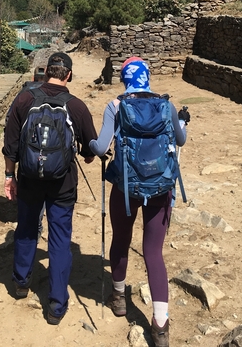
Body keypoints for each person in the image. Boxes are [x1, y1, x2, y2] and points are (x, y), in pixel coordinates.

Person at [89, 56, 187, 347]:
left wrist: (94, 146)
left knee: (121, 239)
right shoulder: (166, 105)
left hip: (125, 187)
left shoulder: (116, 106)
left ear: (125, 79)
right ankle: (160, 325)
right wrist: (181, 122)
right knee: (153, 252)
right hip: (160, 188)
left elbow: (102, 146)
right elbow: (180, 141)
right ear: (147, 77)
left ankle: (119, 297)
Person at [2, 52, 97, 325]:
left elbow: (10, 147)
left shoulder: (24, 100)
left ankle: (21, 283)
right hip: (63, 185)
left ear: (45, 73)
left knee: (27, 228)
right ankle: (56, 305)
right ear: (68, 75)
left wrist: (10, 177)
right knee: (59, 239)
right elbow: (89, 149)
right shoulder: (77, 107)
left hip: (30, 180)